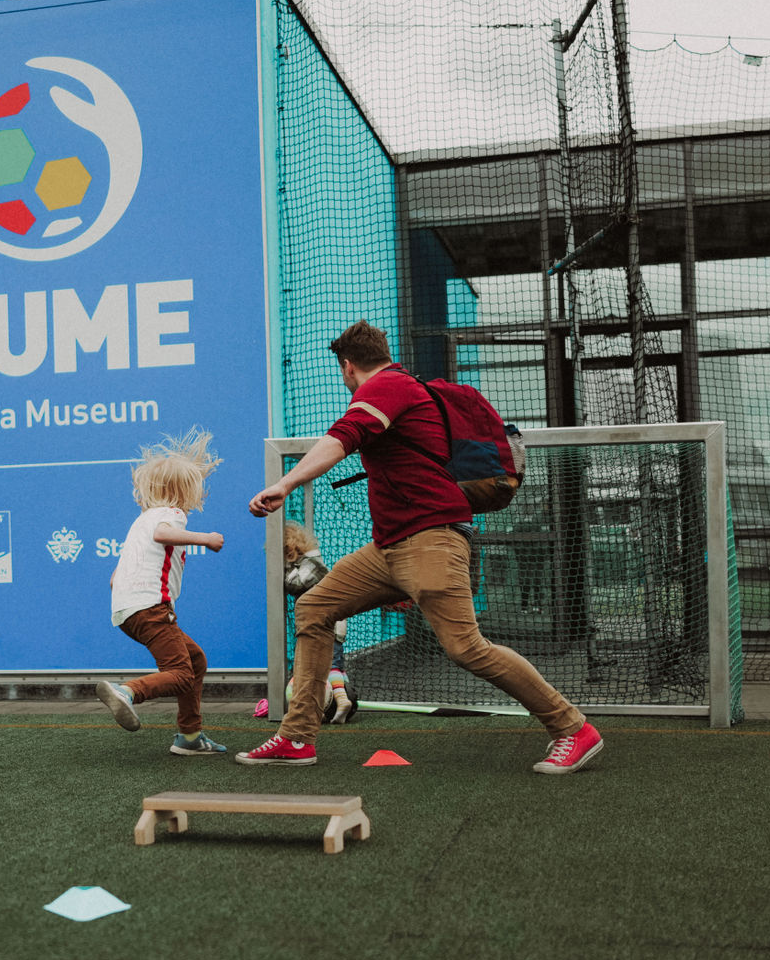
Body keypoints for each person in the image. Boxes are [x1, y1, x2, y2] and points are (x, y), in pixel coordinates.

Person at [242, 321, 603, 773]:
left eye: (343, 371)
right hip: (388, 549)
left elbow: (341, 438)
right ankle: (296, 739)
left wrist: (284, 484)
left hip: (432, 539)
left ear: (347, 366)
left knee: (466, 648)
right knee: (315, 607)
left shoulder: (388, 386)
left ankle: (572, 728)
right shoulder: (399, 390)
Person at [97, 428, 228, 756]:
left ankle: (189, 736)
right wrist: (206, 538)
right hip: (151, 608)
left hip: (127, 611)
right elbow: (163, 534)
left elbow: (117, 575)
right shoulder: (169, 515)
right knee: (182, 674)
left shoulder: (140, 520)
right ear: (183, 492)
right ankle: (127, 692)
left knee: (195, 660)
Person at [282, 521, 358, 724]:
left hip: (328, 623)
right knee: (329, 666)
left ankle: (341, 700)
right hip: (322, 623)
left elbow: (295, 583)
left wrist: (282, 572)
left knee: (331, 666)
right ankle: (327, 704)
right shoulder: (304, 563)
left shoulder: (312, 563)